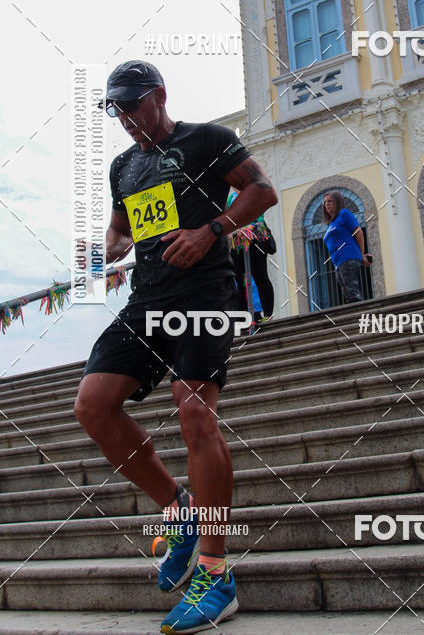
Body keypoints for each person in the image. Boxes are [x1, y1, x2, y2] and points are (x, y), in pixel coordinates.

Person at [74, 61, 277, 634]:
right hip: (147, 300)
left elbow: (263, 190)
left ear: (158, 96)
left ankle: (216, 572)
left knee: (195, 416)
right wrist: (110, 245)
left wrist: (211, 229)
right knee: (92, 405)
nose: (125, 118)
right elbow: (121, 227)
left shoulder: (208, 139)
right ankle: (177, 510)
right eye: (115, 110)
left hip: (206, 293)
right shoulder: (125, 166)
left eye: (132, 105)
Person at [227, 190, 275, 323]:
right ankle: (243, 317)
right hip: (237, 243)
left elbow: (260, 217)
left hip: (255, 240)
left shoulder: (254, 190)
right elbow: (227, 217)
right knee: (239, 280)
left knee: (261, 277)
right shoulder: (231, 197)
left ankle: (268, 314)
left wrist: (250, 227)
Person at [322, 191, 371, 304]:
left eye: (330, 201)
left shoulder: (344, 214)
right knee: (348, 294)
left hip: (348, 258)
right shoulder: (331, 223)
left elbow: (358, 232)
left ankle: (360, 316)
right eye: (325, 202)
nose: (327, 204)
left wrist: (362, 254)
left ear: (337, 202)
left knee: (353, 293)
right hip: (338, 263)